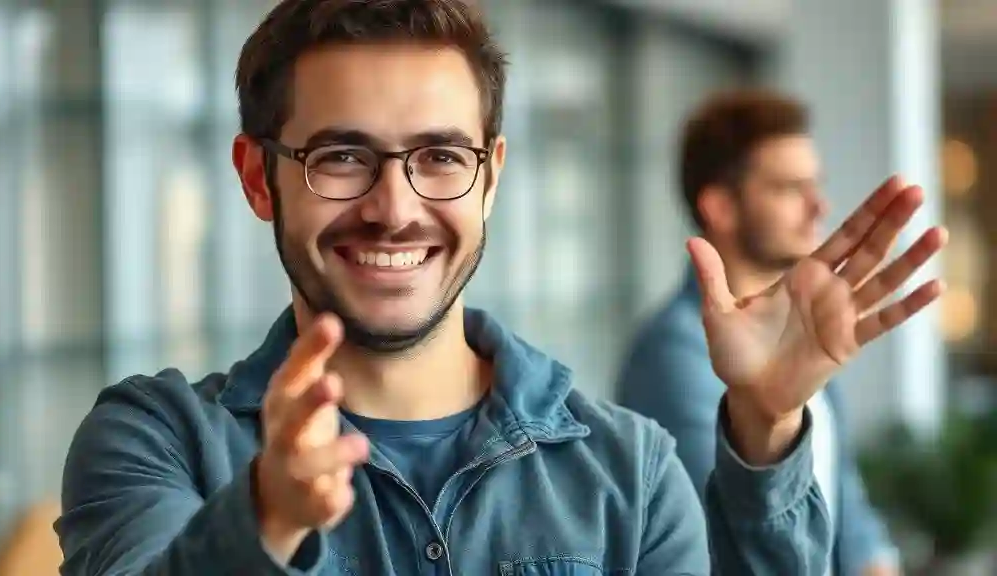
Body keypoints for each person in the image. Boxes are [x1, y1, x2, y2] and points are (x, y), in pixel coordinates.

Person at [54, 2, 943, 574]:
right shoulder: (155, 443)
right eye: (341, 156)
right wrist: (263, 525)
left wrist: (765, 432)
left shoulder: (626, 472)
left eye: (441, 156)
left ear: (491, 177)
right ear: (258, 177)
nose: (394, 208)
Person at [616, 90, 944, 576]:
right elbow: (727, 549)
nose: (819, 205)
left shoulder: (801, 335)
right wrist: (761, 417)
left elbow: (846, 512)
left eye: (817, 184)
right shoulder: (673, 354)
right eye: (791, 188)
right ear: (721, 207)